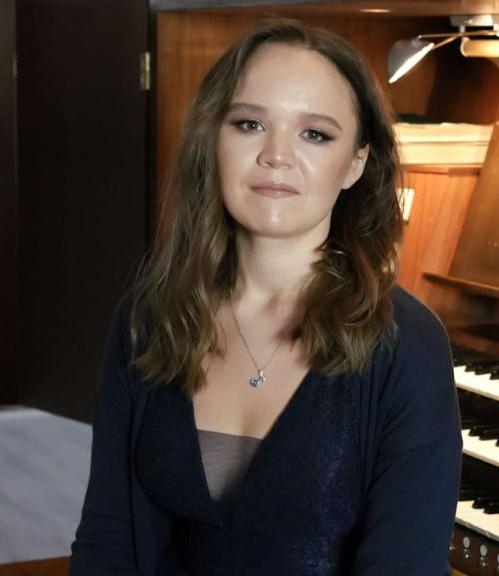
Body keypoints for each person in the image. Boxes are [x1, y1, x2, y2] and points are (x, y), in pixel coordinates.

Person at [69, 18, 462, 576]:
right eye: (250, 124)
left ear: (356, 162)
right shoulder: (148, 316)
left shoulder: (409, 345)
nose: (276, 156)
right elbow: (108, 539)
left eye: (315, 134)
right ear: (213, 139)